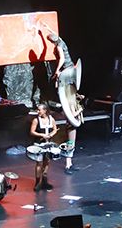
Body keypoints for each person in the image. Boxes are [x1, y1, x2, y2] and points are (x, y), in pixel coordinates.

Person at [39, 21, 83, 172]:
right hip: (70, 75)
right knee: (71, 126)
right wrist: (44, 27)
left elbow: (62, 60)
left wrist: (57, 71)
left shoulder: (58, 46)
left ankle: (69, 163)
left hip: (67, 73)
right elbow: (53, 34)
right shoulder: (61, 41)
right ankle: (68, 163)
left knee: (71, 124)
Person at [29, 102, 58, 191]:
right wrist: (42, 135)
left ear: (45, 111)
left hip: (48, 144)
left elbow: (55, 129)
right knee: (39, 163)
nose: (38, 111)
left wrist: (51, 134)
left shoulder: (51, 119)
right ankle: (37, 183)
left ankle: (44, 181)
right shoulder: (36, 120)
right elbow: (32, 132)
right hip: (39, 144)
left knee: (47, 162)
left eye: (39, 110)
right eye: (37, 110)